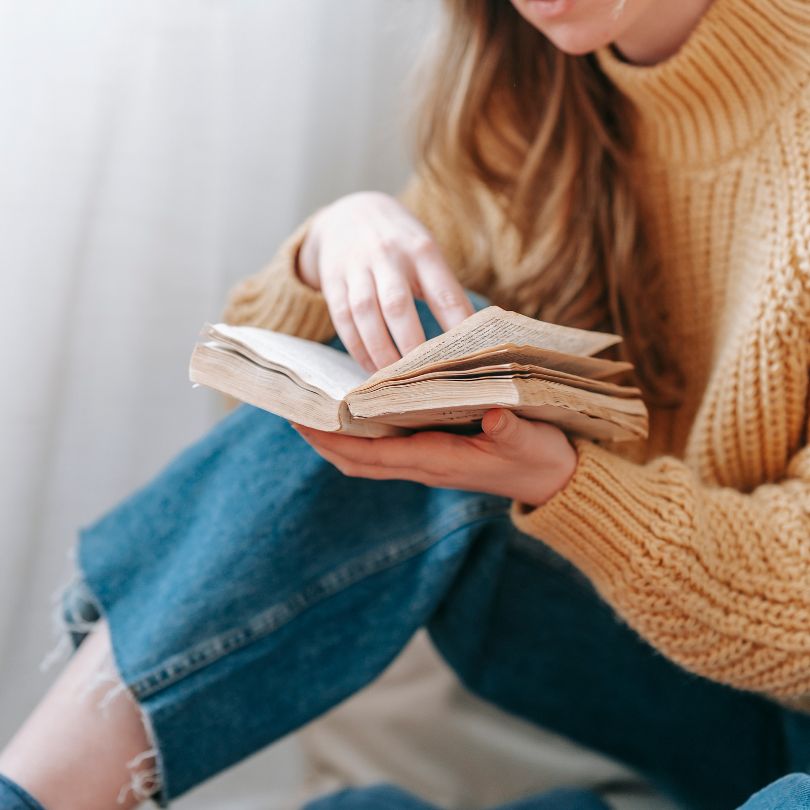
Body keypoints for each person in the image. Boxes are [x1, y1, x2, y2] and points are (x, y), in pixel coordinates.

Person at [1, 0, 809, 808]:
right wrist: (331, 245)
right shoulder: (530, 93)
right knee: (403, 365)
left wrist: (566, 485)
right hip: (684, 697)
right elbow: (261, 430)